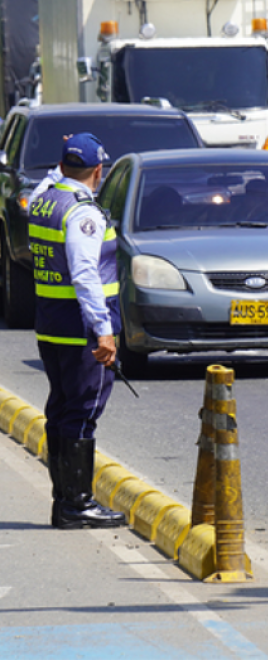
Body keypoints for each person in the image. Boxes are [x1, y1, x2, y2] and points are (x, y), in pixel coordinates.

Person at [28, 132, 125, 529]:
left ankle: (63, 501)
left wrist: (59, 163)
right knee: (82, 414)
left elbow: (51, 179)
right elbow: (86, 275)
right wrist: (102, 330)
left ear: (64, 167)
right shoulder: (83, 213)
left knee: (61, 410)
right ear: (98, 172)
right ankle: (77, 504)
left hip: (50, 326)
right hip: (79, 332)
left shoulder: (45, 197)